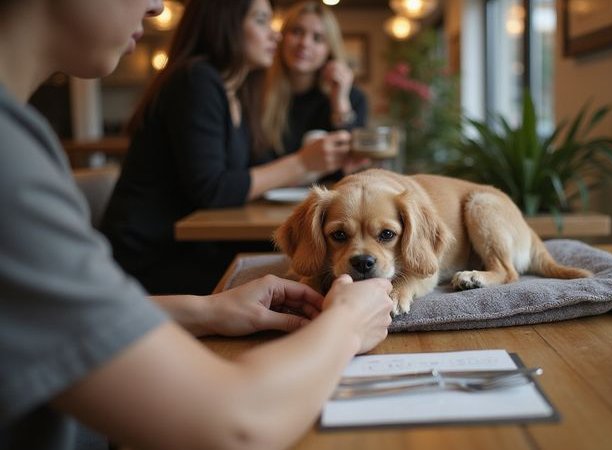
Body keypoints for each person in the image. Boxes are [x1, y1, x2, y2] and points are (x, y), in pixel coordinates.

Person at [0, 0, 394, 449]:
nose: (155, 6)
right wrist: (346, 323)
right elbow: (237, 424)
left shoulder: (21, 137)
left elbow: (51, 322)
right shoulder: (9, 164)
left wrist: (205, 311)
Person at [101, 0, 356, 295]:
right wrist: (302, 163)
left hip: (191, 246)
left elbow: (238, 176)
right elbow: (213, 189)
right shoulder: (195, 80)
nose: (275, 35)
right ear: (226, 23)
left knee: (314, 265)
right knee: (310, 276)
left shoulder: (232, 91)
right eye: (261, 20)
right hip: (150, 258)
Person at [263, 1, 368, 162]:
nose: (304, 43)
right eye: (297, 31)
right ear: (282, 37)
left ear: (329, 50)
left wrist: (340, 102)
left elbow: (353, 163)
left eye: (318, 38)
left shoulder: (354, 98)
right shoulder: (258, 93)